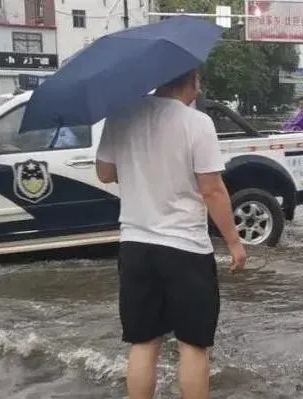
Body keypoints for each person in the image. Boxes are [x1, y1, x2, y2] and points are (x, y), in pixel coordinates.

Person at [95, 68, 248, 399]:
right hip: (185, 249)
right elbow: (213, 191)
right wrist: (235, 243)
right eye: (199, 79)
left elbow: (105, 173)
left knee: (143, 342)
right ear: (191, 80)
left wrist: (141, 172)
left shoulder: (121, 115)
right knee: (193, 345)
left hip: (135, 246)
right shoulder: (196, 123)